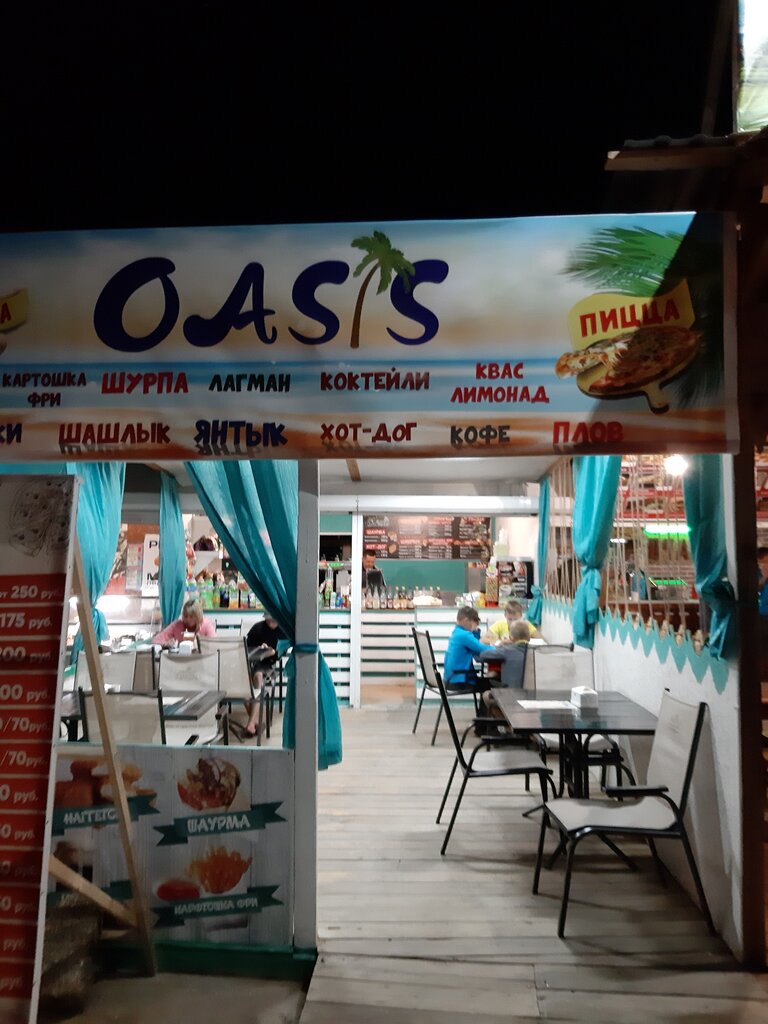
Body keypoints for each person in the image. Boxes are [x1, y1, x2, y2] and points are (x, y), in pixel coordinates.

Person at [244, 613, 286, 737]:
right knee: (242, 684)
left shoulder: (282, 631)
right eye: (268, 620)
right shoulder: (257, 628)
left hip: (268, 665)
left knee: (258, 677)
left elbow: (281, 652)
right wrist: (259, 648)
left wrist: (272, 652)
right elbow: (247, 647)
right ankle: (255, 722)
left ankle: (251, 723)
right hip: (253, 662)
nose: (270, 623)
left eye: (273, 620)